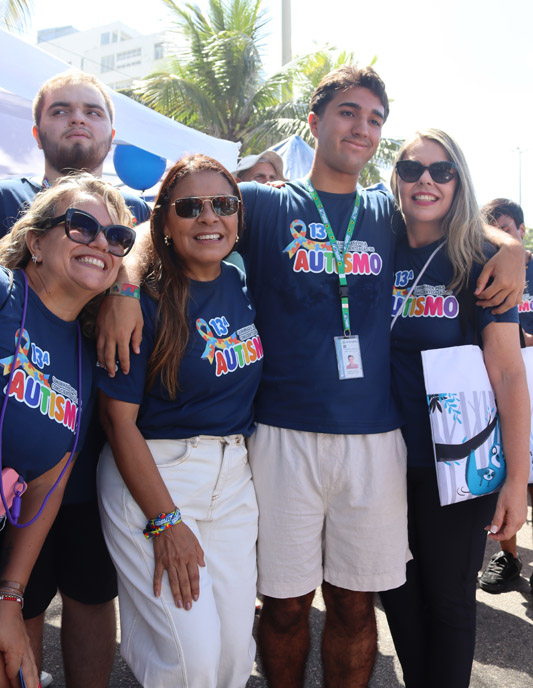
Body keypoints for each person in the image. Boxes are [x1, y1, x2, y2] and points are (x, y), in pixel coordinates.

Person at [95, 66, 525, 688]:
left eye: (375, 119)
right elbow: (163, 219)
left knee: (354, 604)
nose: (362, 128)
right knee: (287, 604)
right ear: (315, 122)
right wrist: (125, 286)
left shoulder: (386, 208)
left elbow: (455, 219)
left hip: (374, 440)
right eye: (348, 112)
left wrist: (510, 248)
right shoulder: (267, 203)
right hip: (279, 436)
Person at [0, 70, 150, 688]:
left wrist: (126, 284)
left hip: (70, 449)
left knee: (84, 591)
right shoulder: (11, 204)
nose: (78, 119)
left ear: (112, 132)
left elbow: (165, 233)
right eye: (62, 110)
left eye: (92, 110)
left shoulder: (131, 221)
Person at [96, 154, 263, 688]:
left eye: (223, 205)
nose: (209, 217)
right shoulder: (138, 301)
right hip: (157, 478)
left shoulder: (241, 283)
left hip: (234, 479)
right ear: (164, 219)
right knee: (191, 663)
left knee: (235, 659)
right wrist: (165, 522)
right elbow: (118, 422)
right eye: (190, 207)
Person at [379, 131, 530, 688]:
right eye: (412, 168)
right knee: (394, 592)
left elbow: (510, 373)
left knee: (447, 602)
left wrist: (518, 479)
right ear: (394, 177)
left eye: (442, 172)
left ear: (459, 181)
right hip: (378, 453)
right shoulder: (376, 240)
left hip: (458, 461)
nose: (426, 180)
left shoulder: (483, 256)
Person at [478, 197, 533, 593]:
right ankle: (509, 556)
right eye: (493, 230)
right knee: (504, 474)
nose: (502, 238)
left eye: (508, 230)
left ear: (522, 232)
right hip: (501, 390)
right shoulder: (483, 269)